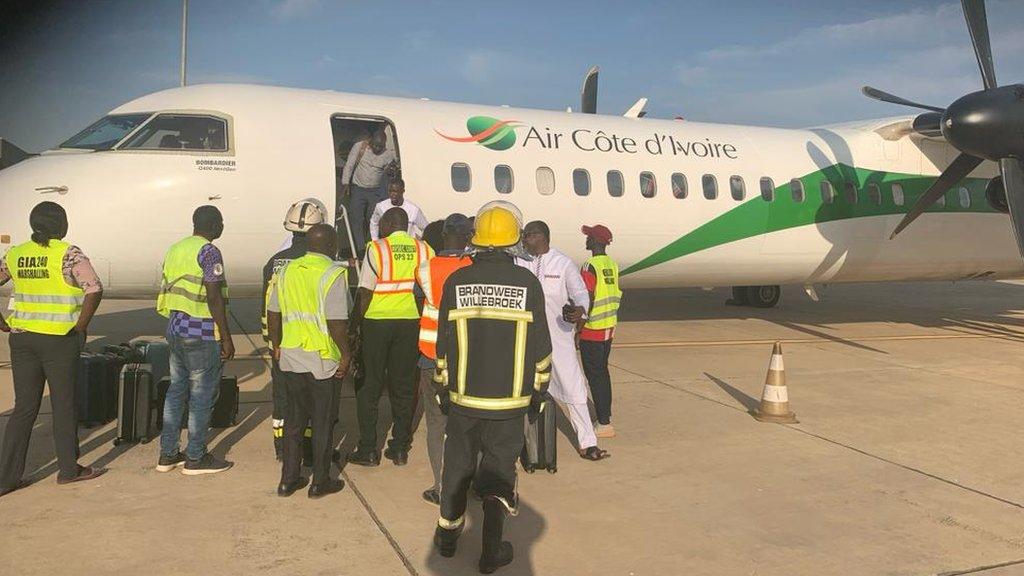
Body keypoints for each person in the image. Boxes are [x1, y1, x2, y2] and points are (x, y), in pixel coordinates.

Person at [432, 201, 552, 574]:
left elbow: (444, 344)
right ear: (513, 240)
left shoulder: (456, 281)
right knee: (499, 475)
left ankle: (447, 540)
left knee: (457, 469)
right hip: (509, 405)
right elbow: (541, 349)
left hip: (464, 401)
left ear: (477, 242)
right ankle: (490, 552)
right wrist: (538, 393)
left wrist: (443, 389)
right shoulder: (528, 283)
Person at [0, 202, 106, 496]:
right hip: (59, 339)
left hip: (22, 339)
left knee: (24, 408)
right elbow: (94, 288)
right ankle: (69, 470)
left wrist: (2, 322)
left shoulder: (16, 253)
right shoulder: (69, 254)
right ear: (61, 225)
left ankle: (6, 479)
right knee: (63, 404)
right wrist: (81, 326)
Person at [267, 224, 351, 499]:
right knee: (322, 423)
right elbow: (337, 321)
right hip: (322, 360)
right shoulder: (333, 273)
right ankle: (320, 482)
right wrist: (346, 355)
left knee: (294, 421)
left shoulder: (287, 270)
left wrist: (276, 345)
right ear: (330, 245)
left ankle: (288, 480)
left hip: (291, 357)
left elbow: (274, 311)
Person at [347, 208, 433, 467]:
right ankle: (399, 448)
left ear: (387, 224)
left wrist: (355, 328)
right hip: (410, 322)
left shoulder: (377, 249)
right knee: (404, 385)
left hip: (377, 322)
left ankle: (368, 449)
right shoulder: (424, 249)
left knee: (369, 385)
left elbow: (365, 292)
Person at [518, 221, 609, 461]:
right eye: (524, 235)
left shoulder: (563, 263)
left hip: (557, 337)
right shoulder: (519, 260)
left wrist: (580, 309)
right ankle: (519, 446)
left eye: (530, 235)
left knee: (574, 388)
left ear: (543, 237)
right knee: (518, 389)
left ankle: (588, 443)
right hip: (524, 337)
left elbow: (579, 292)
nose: (525, 239)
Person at [155, 205, 234, 475]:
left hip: (176, 327)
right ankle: (196, 457)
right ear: (213, 226)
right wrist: (225, 336)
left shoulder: (175, 249)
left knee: (176, 391)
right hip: (201, 331)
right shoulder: (209, 251)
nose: (222, 226)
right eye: (221, 222)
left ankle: (167, 454)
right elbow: (213, 295)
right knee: (201, 396)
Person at [262, 199, 328, 461]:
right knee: (311, 401)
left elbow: (266, 307)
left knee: (283, 398)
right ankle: (309, 450)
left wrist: (272, 343)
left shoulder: (274, 262)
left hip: (280, 344)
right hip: (311, 344)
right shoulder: (318, 262)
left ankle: (283, 450)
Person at [414, 213, 473, 505]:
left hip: (431, 356)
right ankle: (468, 481)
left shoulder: (424, 269)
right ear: (466, 238)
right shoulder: (473, 268)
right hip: (467, 358)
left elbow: (419, 303)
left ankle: (441, 486)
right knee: (467, 424)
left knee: (436, 424)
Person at [578, 224, 622, 438]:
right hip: (608, 328)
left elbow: (587, 298)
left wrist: (578, 330)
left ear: (595, 242)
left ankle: (604, 423)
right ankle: (605, 418)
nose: (585, 240)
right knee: (602, 373)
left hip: (592, 329)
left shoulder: (589, 265)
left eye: (588, 237)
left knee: (595, 376)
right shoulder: (611, 265)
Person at [341, 127, 396, 255]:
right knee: (356, 218)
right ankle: (359, 248)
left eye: (380, 147)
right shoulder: (360, 147)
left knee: (372, 218)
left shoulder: (388, 154)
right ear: (370, 142)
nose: (377, 149)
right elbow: (349, 165)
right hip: (358, 189)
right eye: (375, 145)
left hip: (374, 191)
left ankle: (369, 246)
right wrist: (345, 183)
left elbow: (392, 168)